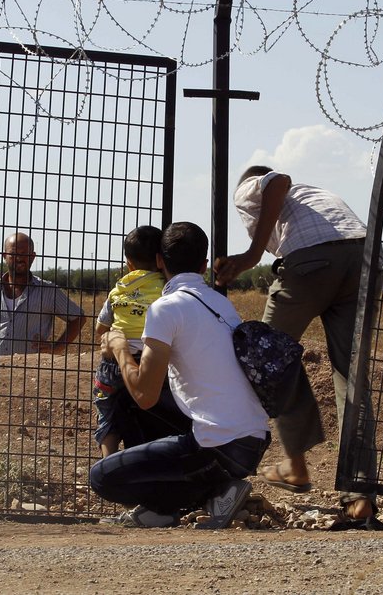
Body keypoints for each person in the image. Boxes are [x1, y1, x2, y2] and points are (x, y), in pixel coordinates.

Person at [213, 165, 383, 526]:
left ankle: (294, 462)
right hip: (364, 260)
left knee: (266, 357)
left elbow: (276, 180)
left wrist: (250, 255)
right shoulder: (317, 195)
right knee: (352, 381)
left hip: (311, 260)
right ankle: (359, 496)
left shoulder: (249, 187)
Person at [89, 222, 270, 529]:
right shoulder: (220, 303)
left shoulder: (165, 308)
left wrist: (119, 348)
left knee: (102, 477)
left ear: (160, 260)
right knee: (135, 407)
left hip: (218, 446)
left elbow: (145, 395)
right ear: (203, 264)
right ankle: (167, 507)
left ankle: (216, 491)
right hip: (251, 441)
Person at [93, 225, 189, 457]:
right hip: (151, 360)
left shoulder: (119, 289)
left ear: (129, 263)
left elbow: (100, 328)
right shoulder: (167, 290)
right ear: (160, 259)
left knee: (107, 410)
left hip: (114, 363)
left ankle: (109, 463)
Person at [0, 232, 86, 359]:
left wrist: (57, 348)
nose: (19, 258)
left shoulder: (47, 291)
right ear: (4, 256)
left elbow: (78, 318)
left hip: (32, 372)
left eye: (24, 253)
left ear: (32, 256)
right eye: (13, 253)